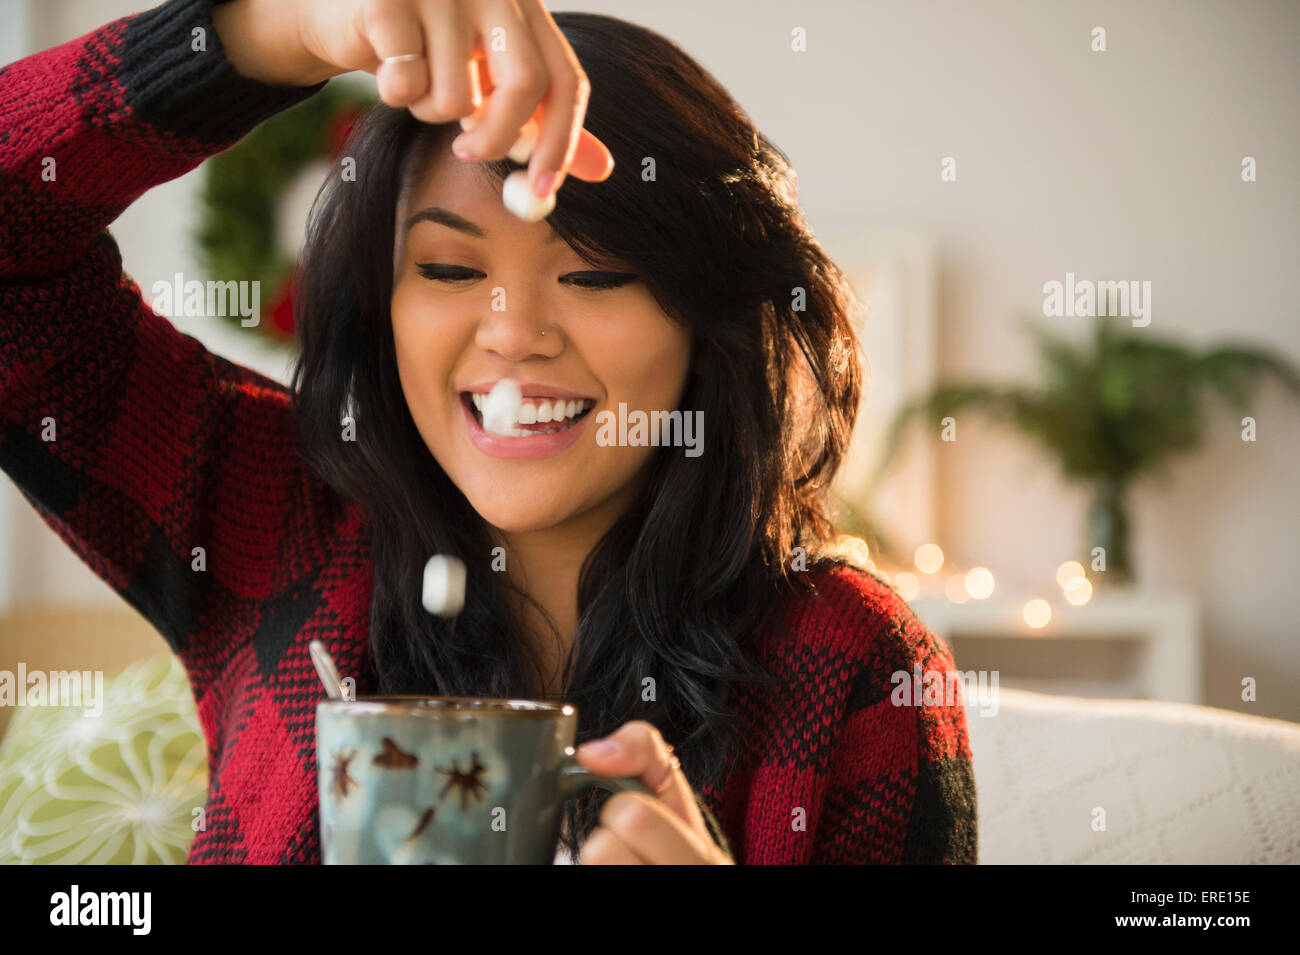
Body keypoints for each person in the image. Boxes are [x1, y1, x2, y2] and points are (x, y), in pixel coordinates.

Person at [0, 0, 978, 864]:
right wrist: (273, 28)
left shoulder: (852, 668)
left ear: (703, 324)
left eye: (593, 273)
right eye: (448, 270)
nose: (513, 331)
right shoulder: (268, 514)